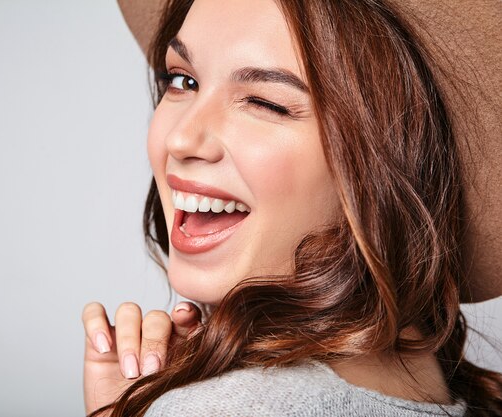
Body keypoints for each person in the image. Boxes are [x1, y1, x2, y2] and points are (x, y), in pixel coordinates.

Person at [83, 0, 502, 415]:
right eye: (183, 81)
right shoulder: (442, 391)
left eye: (265, 103)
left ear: (388, 157)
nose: (180, 139)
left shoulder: (233, 407)